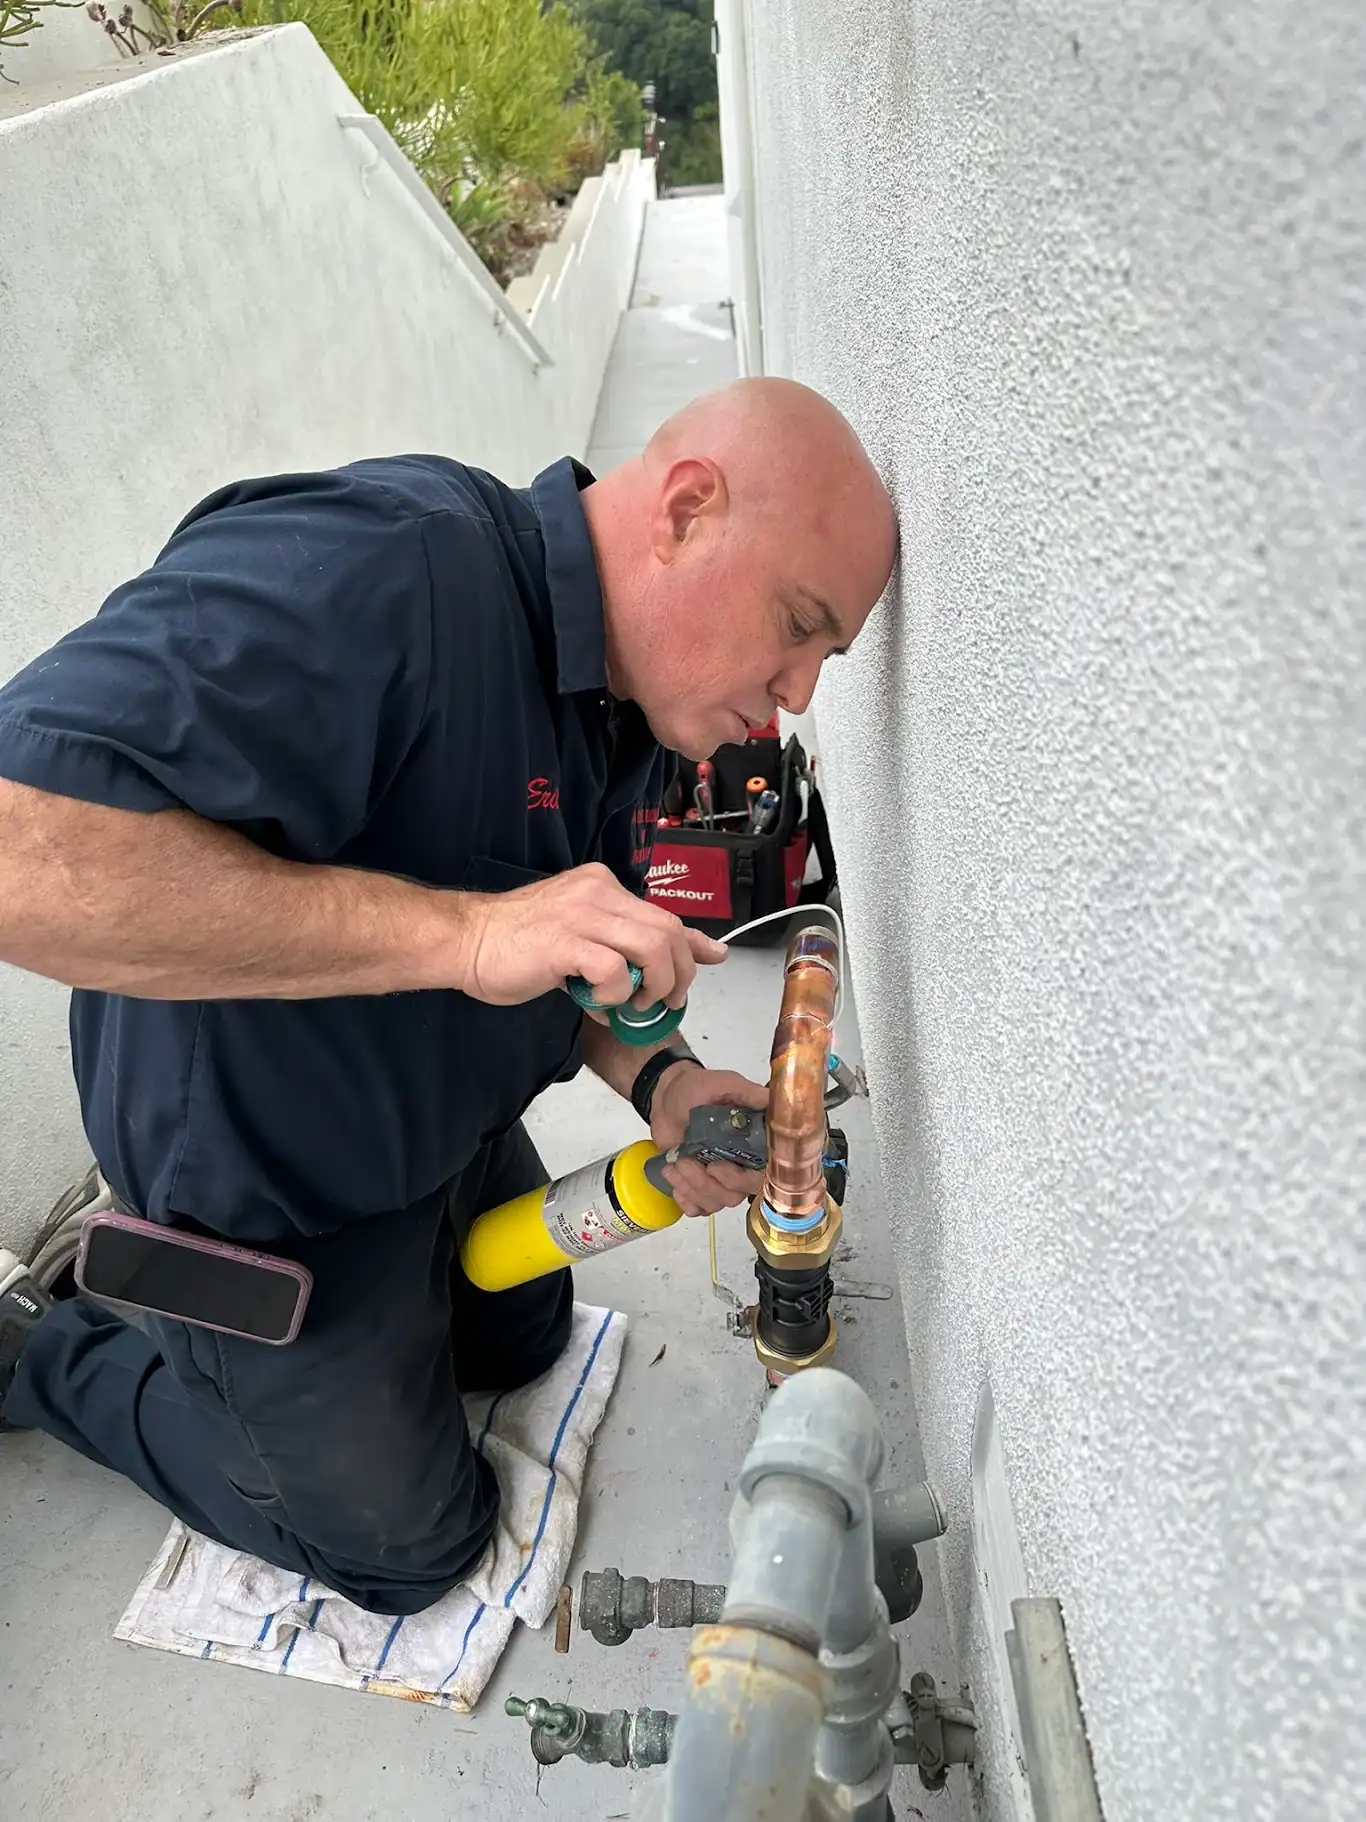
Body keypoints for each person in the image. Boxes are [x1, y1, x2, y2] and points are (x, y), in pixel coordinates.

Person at [0, 378, 897, 1614]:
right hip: (268, 1195)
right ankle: (45, 1348)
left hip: (436, 1127)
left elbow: (574, 959)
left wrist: (666, 1080)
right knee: (414, 1550)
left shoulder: (637, 700)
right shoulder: (380, 572)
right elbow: (20, 854)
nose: (795, 696)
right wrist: (473, 934)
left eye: (825, 660)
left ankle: (305, 1360)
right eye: (796, 627)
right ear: (686, 510)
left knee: (526, 1334)